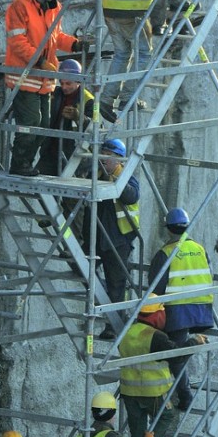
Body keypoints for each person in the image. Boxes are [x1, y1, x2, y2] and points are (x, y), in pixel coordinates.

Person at [4, 0, 80, 177]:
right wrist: (39, 62)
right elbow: (17, 42)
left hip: (45, 79)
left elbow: (56, 38)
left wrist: (74, 44)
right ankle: (19, 164)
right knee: (30, 123)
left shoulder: (54, 8)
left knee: (44, 125)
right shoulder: (19, 7)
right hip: (25, 76)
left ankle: (27, 162)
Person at [148, 207, 214, 409]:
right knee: (176, 352)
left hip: (177, 311)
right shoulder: (199, 248)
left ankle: (185, 396)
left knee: (175, 355)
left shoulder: (166, 253)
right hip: (201, 308)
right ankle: (179, 390)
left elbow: (155, 290)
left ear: (168, 229)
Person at [118, 299, 180, 437]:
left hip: (130, 391)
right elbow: (178, 354)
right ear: (157, 314)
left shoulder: (126, 332)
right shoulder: (155, 336)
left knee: (137, 434)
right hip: (153, 391)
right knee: (167, 415)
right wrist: (194, 341)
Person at [91, 137, 141, 321]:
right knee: (84, 272)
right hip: (96, 238)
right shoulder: (94, 176)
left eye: (109, 155)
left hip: (119, 240)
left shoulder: (126, 178)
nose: (104, 158)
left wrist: (116, 182)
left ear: (119, 159)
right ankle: (102, 303)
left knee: (117, 283)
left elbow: (132, 196)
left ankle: (115, 323)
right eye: (102, 154)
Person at [40, 58, 116, 177]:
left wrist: (78, 117)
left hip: (76, 158)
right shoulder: (56, 93)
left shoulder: (91, 101)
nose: (64, 87)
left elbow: (98, 126)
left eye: (68, 83)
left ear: (78, 81)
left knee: (69, 194)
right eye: (62, 83)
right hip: (51, 152)